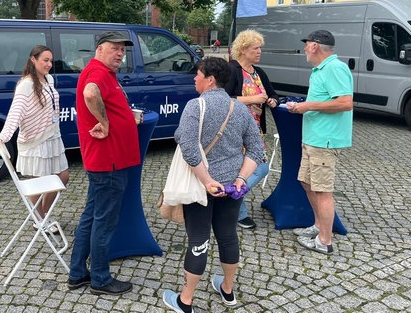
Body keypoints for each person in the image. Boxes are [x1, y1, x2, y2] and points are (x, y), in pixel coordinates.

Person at [162, 57, 264, 313]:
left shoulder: (195, 106)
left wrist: (207, 181)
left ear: (209, 79)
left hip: (201, 187)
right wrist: (241, 179)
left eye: (197, 74)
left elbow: (188, 149)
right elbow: (256, 149)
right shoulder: (239, 108)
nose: (194, 78)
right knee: (228, 236)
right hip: (232, 187)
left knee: (199, 239)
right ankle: (228, 290)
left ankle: (185, 301)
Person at [68, 31, 140, 295]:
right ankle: (99, 279)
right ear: (100, 49)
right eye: (114, 48)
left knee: (91, 216)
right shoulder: (97, 72)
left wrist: (120, 115)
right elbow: (90, 94)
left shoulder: (101, 72)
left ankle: (77, 273)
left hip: (103, 161)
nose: (120, 53)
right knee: (104, 221)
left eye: (123, 49)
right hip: (109, 162)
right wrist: (107, 122)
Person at [287, 30, 353, 255]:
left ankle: (325, 241)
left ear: (314, 46)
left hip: (325, 141)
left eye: (306, 45)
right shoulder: (320, 70)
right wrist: (304, 106)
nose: (304, 49)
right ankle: (318, 226)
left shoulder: (335, 68)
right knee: (308, 184)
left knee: (323, 191)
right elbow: (326, 100)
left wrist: (307, 106)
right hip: (313, 138)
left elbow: (345, 103)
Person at [0, 45, 69, 231]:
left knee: (63, 176)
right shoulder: (26, 84)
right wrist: (4, 136)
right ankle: (39, 218)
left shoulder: (49, 79)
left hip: (52, 137)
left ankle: (43, 215)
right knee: (38, 183)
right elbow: (15, 113)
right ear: (33, 60)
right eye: (45, 60)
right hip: (35, 141)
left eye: (51, 60)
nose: (49, 64)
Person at [225, 29, 279, 230]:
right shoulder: (231, 70)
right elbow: (223, 98)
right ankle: (238, 210)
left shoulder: (259, 73)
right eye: (256, 48)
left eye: (260, 48)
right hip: (236, 132)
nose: (259, 52)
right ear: (243, 49)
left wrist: (273, 100)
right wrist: (252, 99)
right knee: (245, 169)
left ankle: (233, 197)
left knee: (261, 167)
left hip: (256, 131)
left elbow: (273, 94)